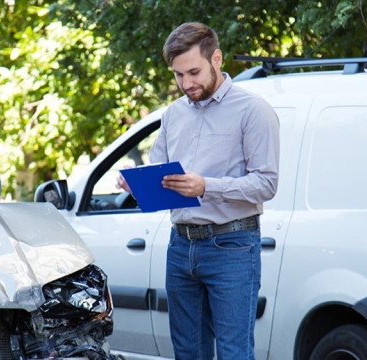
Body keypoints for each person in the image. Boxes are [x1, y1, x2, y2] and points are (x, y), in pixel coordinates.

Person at [117, 22, 280, 360]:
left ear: (216, 59)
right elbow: (161, 176)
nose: (186, 83)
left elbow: (267, 183)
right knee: (188, 353)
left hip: (232, 247)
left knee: (234, 353)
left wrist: (207, 186)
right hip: (181, 247)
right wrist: (136, 183)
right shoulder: (173, 114)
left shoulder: (253, 110)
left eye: (193, 72)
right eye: (178, 75)